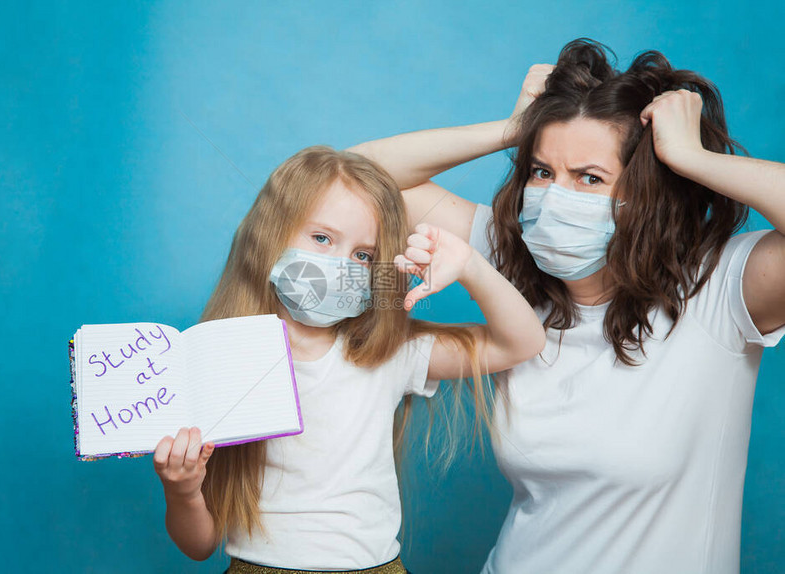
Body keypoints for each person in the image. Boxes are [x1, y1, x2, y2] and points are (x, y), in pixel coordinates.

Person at [351, 39, 785, 574]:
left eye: (589, 178)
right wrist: (513, 128)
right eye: (541, 172)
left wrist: (691, 157)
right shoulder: (512, 261)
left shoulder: (719, 285)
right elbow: (358, 176)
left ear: (649, 192)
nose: (554, 198)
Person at [151, 146, 546, 573]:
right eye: (321, 238)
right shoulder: (223, 362)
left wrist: (469, 265)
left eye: (362, 255)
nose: (341, 265)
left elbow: (521, 342)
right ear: (269, 234)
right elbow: (199, 544)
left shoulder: (389, 353)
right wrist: (183, 490)